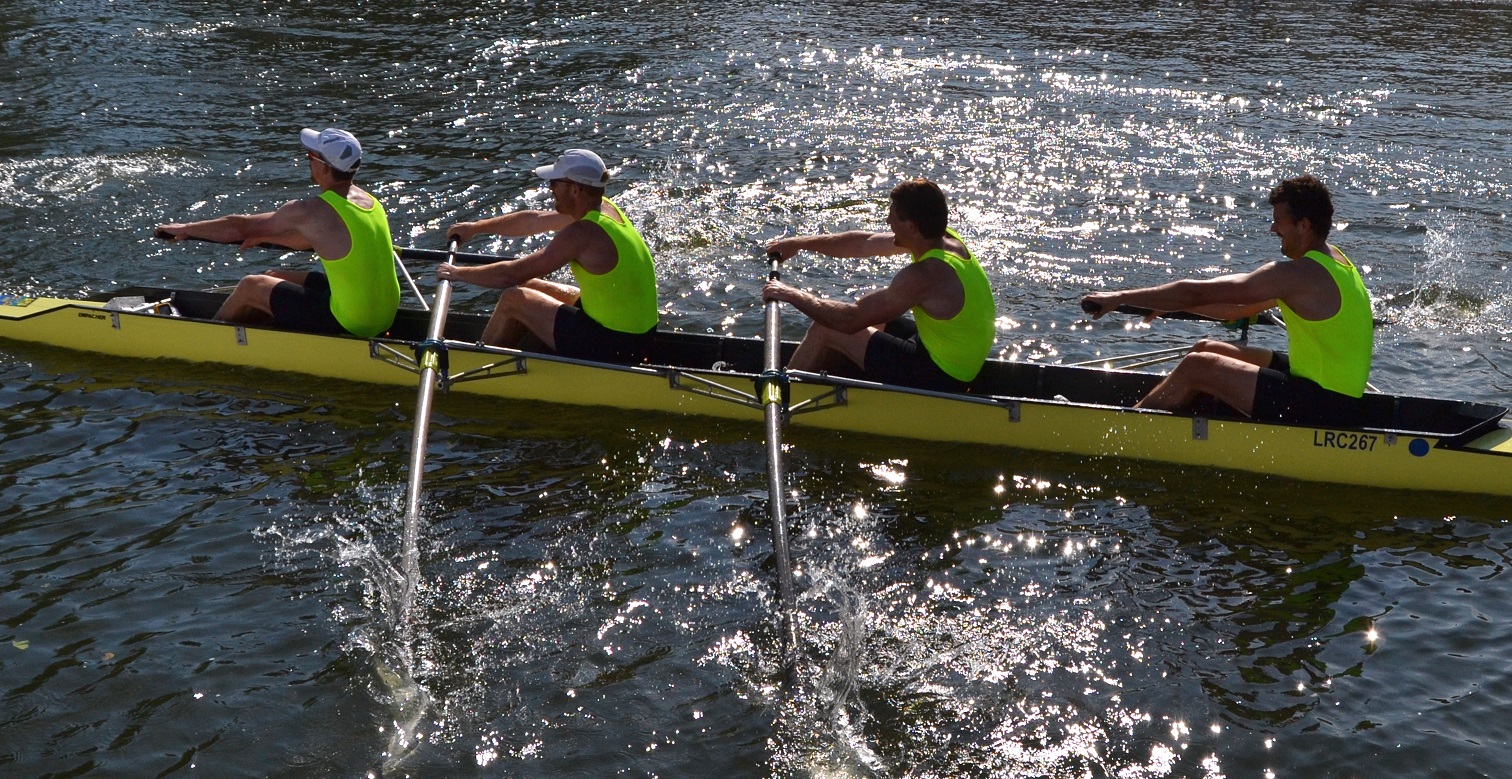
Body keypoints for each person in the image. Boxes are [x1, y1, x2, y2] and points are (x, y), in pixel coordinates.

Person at [1081, 174, 1373, 423]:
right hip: (1325, 386)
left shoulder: (1298, 274)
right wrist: (1163, 303)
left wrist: (1120, 297)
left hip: (1325, 406)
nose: (1273, 229)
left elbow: (1198, 291)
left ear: (1304, 225)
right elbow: (1235, 309)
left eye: (1278, 221)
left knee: (1198, 366)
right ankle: (1191, 426)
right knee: (1206, 349)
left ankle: (1128, 427)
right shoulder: (1335, 261)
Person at [155, 127, 401, 339]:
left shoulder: (309, 211)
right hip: (384, 316)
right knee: (274, 276)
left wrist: (186, 229)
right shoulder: (370, 203)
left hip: (352, 323)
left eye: (310, 156)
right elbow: (306, 241)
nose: (308, 162)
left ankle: (209, 340)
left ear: (324, 167)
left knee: (252, 285)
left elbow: (238, 227)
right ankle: (269, 334)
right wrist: (266, 236)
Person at [761, 179, 997, 392]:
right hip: (944, 350)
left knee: (827, 326)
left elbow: (850, 320)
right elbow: (863, 243)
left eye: (892, 215)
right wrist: (798, 243)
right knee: (867, 318)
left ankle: (781, 395)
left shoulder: (926, 274)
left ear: (912, 227)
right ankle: (822, 372)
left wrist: (790, 294)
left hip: (941, 378)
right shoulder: (942, 238)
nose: (887, 221)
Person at [438, 149, 659, 363]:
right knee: (529, 285)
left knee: (513, 299)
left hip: (616, 346)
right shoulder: (602, 208)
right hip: (637, 335)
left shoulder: (582, 233)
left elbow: (509, 275)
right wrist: (476, 227)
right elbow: (534, 221)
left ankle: (476, 367)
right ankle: (519, 349)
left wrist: (456, 273)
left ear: (575, 190)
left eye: (555, 182)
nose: (550, 188)